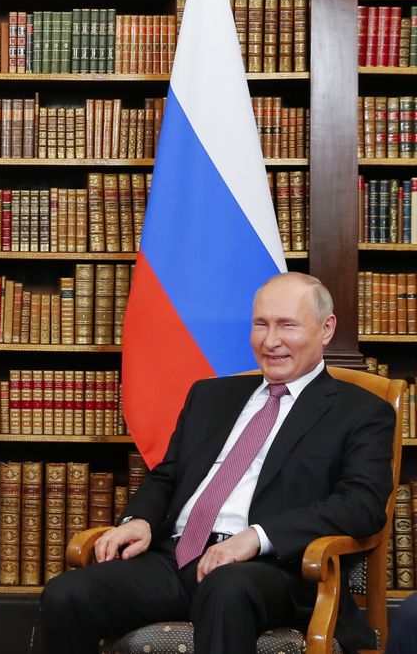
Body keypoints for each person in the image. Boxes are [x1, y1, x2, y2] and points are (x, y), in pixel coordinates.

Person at [40, 272, 396, 654]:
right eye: (261, 324)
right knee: (67, 594)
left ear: (326, 330)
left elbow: (362, 506)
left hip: (273, 571)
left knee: (227, 587)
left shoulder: (361, 412)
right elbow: (168, 475)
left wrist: (256, 538)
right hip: (176, 559)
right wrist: (139, 519)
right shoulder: (211, 395)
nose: (271, 340)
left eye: (287, 325)